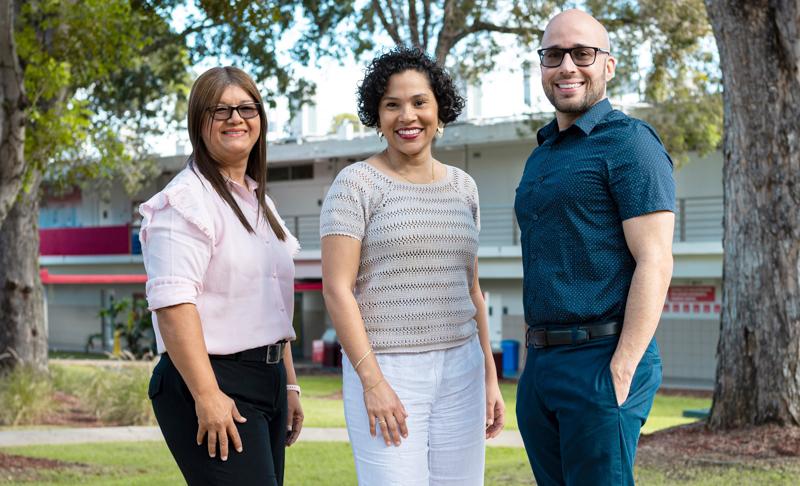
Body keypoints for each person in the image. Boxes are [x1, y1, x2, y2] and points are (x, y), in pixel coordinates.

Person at [320, 46, 505, 485]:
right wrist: (372, 382)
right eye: (392, 105)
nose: (408, 116)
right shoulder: (355, 184)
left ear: (439, 109)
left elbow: (471, 289)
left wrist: (489, 376)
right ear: (377, 116)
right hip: (388, 367)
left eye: (420, 102)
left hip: (463, 368)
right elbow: (336, 290)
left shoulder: (465, 187)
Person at [514, 9, 675, 486]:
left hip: (601, 359)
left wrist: (620, 371)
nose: (566, 66)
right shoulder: (540, 154)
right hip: (541, 365)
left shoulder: (630, 144)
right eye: (553, 54)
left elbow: (655, 259)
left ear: (607, 64)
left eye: (582, 53)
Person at [140, 66, 303, 486]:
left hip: (266, 378)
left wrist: (288, 385)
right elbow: (174, 306)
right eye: (221, 110)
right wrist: (207, 394)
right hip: (211, 379)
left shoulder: (257, 200)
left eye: (247, 108)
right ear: (198, 121)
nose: (236, 118)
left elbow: (272, 303)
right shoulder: (185, 202)